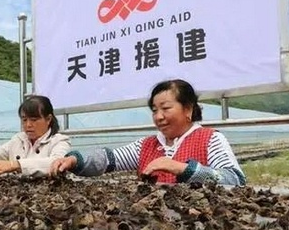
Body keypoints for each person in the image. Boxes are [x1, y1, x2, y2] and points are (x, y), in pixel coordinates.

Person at [50, 79, 246, 186]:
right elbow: (109, 159)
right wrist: (75, 160)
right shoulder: (148, 145)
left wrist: (180, 168)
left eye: (166, 108)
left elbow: (234, 179)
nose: (159, 116)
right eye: (154, 110)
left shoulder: (211, 139)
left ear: (188, 109)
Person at [0, 95, 70, 177]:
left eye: (34, 120)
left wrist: (15, 165)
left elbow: (56, 162)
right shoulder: (18, 139)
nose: (28, 125)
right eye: (24, 120)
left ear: (48, 119)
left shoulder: (59, 141)